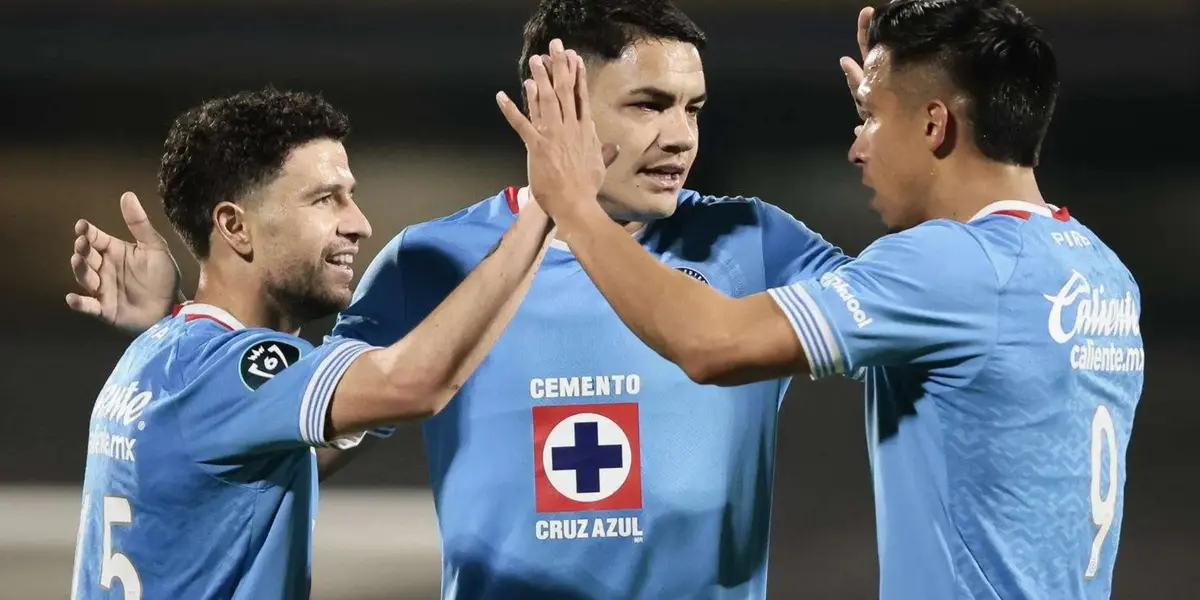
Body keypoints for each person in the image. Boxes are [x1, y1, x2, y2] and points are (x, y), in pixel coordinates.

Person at [68, 2, 853, 598]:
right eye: (649, 105)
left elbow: (911, 333)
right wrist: (183, 340)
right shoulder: (430, 261)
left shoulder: (757, 242)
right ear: (559, 101)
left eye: (693, 109)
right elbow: (296, 437)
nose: (681, 137)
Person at [510, 1, 1146, 599]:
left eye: (869, 119)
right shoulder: (1097, 269)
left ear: (934, 123)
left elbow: (711, 345)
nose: (856, 146)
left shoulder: (952, 269)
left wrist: (572, 204)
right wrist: (898, 116)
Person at [66, 87, 578, 599]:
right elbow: (414, 384)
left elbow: (266, 470)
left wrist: (167, 314)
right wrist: (544, 211)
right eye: (325, 198)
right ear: (234, 226)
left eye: (349, 195)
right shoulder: (241, 368)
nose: (358, 223)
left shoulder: (156, 353)